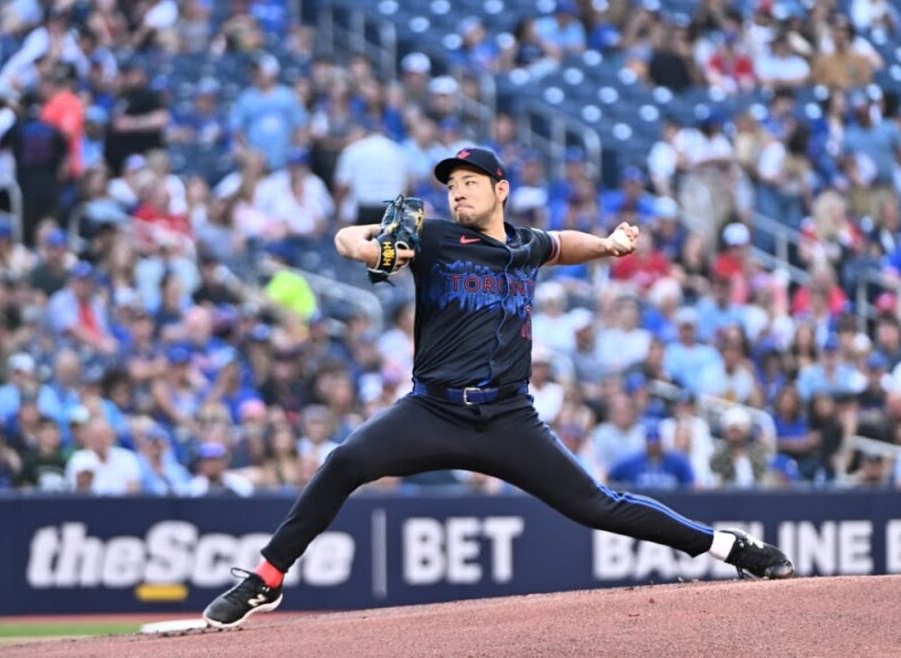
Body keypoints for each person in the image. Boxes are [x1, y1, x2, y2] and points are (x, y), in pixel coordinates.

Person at [202, 147, 794, 628]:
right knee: (344, 462)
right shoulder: (431, 239)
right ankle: (266, 579)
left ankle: (727, 547)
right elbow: (346, 239)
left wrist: (609, 246)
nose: (457, 191)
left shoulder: (525, 246)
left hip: (511, 419)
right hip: (432, 409)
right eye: (452, 184)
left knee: (597, 506)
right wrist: (375, 246)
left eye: (469, 181)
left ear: (500, 189)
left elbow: (563, 243)